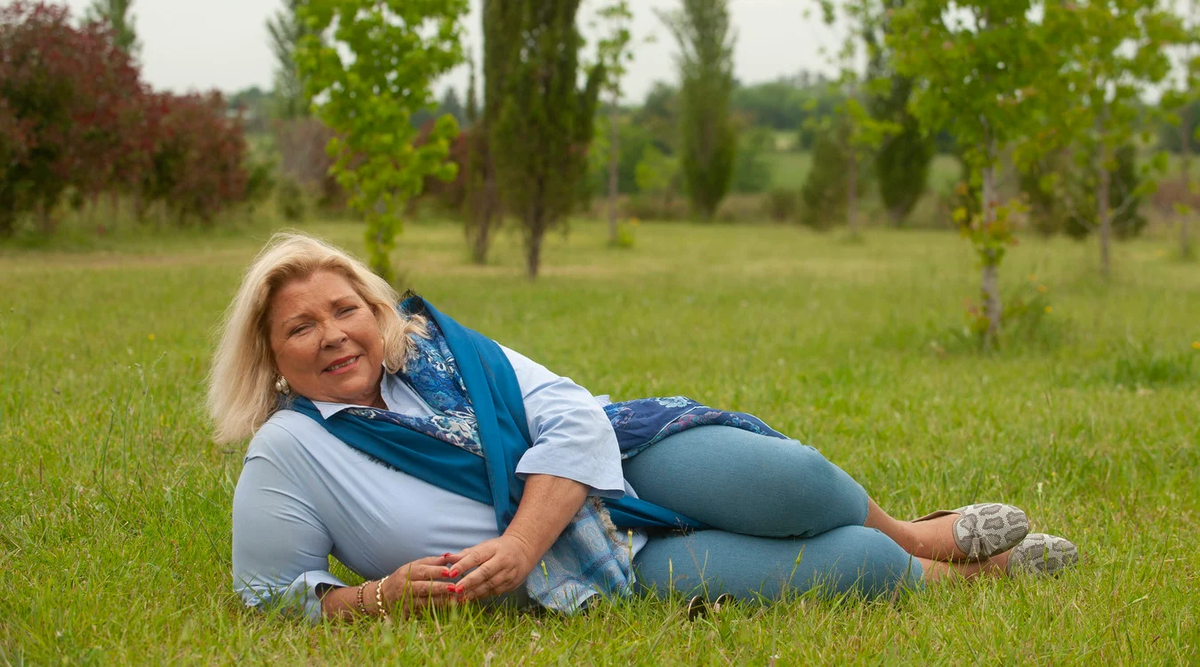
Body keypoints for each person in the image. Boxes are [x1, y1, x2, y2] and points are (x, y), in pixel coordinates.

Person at [208, 233, 1078, 623]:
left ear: (375, 307)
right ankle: (968, 572)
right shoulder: (290, 450)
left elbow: (570, 412)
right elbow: (269, 594)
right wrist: (373, 598)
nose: (333, 335)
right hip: (584, 560)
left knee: (798, 480)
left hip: (621, 456)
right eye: (300, 327)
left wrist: (518, 535)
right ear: (271, 354)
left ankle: (921, 530)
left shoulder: (436, 348)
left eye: (345, 308)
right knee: (854, 571)